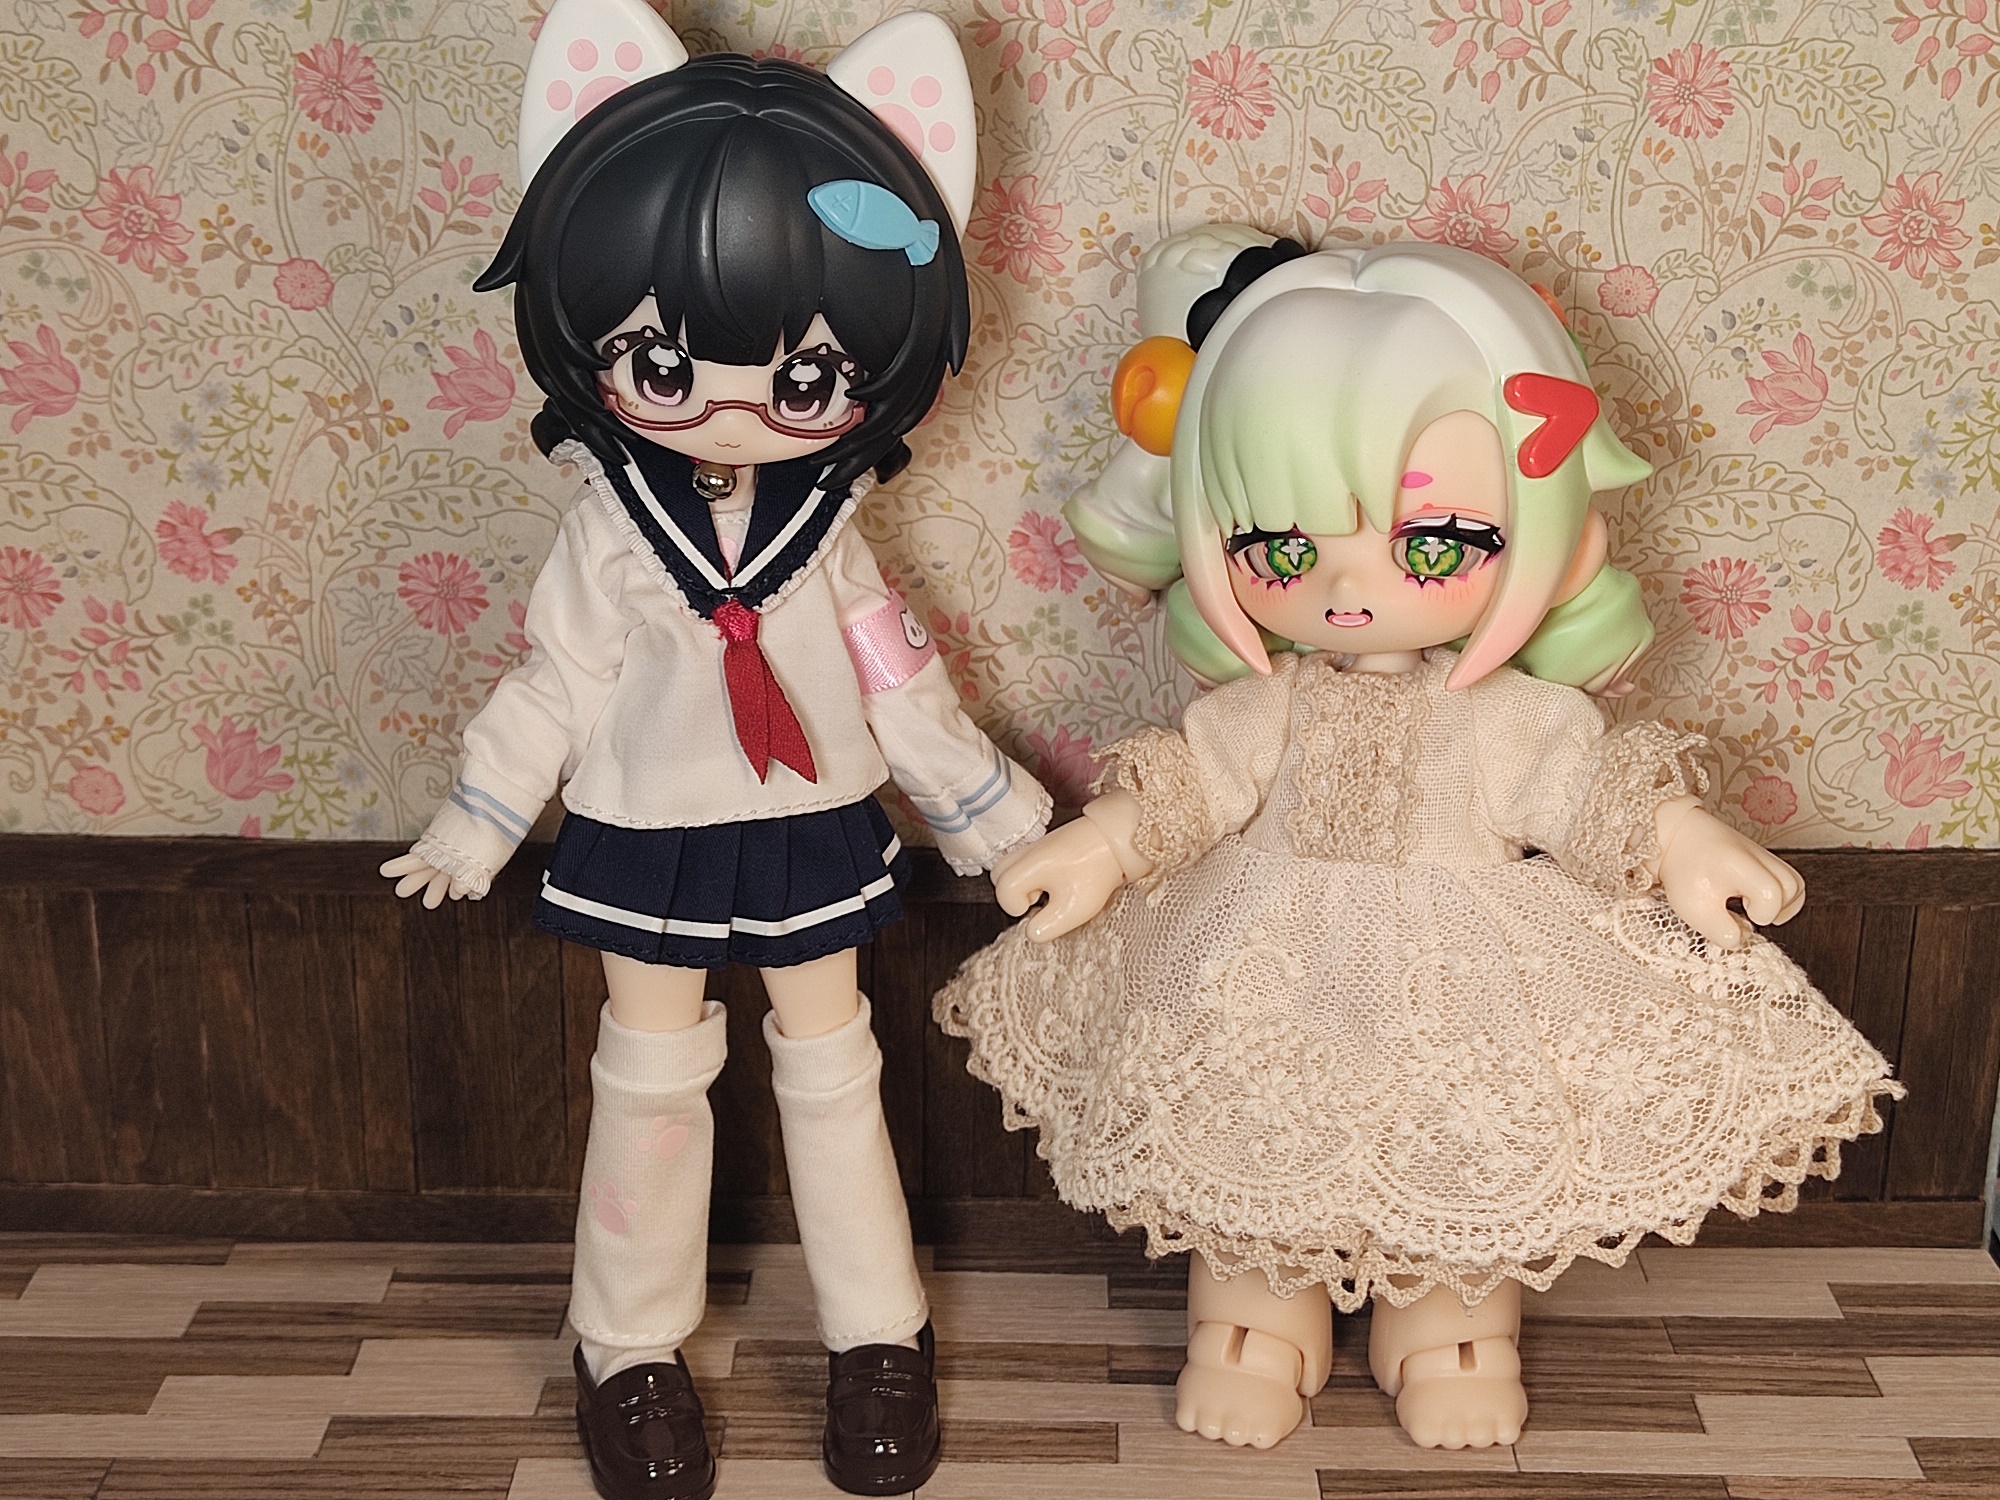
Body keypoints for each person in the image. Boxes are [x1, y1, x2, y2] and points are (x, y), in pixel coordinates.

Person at [934, 234, 1897, 1453]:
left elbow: (1579, 788)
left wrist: (1680, 839)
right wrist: (1101, 847)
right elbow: (1194, 786)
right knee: (1257, 1126)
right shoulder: (1267, 701)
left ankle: (1449, 1330)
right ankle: (1250, 1319)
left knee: (1459, 1139)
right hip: (1266, 957)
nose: (1346, 590)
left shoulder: (1500, 713)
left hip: (1458, 969)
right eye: (1281, 550)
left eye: (1431, 543)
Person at [382, 6, 1048, 1495]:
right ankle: (625, 1342)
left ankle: (878, 1331)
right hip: (644, 824)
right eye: (666, 364)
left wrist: (993, 819)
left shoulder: (831, 529)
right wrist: (479, 817)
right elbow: (557, 681)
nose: (738, 410)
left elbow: (895, 681)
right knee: (648, 1072)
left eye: (802, 381)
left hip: (809, 820)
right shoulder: (611, 527)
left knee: (834, 1063)